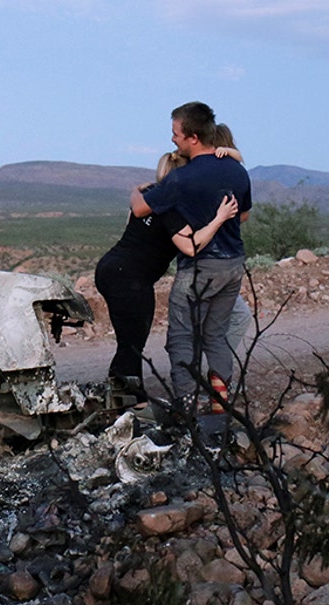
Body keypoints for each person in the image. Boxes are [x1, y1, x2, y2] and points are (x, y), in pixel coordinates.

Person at [131, 102, 252, 407]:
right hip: (234, 264)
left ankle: (186, 405)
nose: (173, 139)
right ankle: (219, 403)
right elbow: (244, 215)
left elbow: (139, 209)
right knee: (216, 335)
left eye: (176, 133)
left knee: (182, 337)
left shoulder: (182, 178)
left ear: (193, 137)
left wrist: (138, 190)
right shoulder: (237, 171)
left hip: (199, 268)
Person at [94, 152, 237, 404]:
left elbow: (135, 208)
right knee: (132, 345)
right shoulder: (172, 208)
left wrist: (136, 190)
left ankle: (124, 399)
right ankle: (127, 405)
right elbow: (191, 246)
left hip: (112, 268)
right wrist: (219, 218)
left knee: (129, 341)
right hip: (130, 278)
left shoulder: (149, 195)